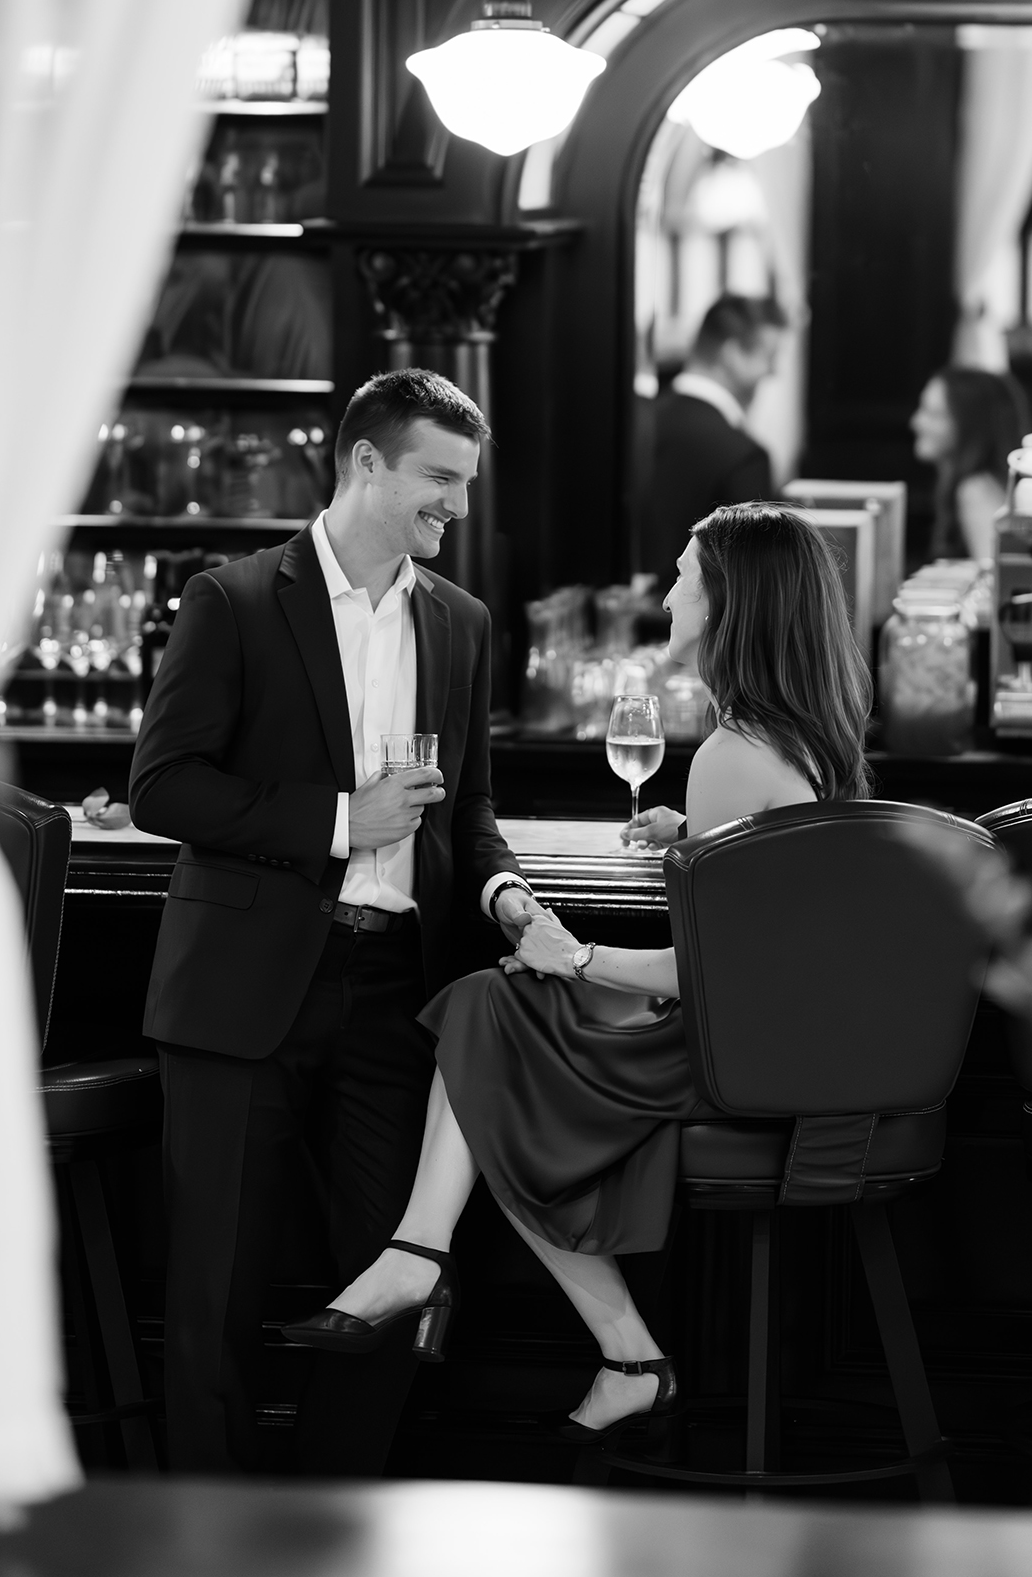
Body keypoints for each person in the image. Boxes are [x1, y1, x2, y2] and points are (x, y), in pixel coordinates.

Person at [283, 505, 871, 1440]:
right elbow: (781, 915)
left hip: (747, 1064)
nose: (668, 594)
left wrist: (579, 954)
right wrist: (694, 840)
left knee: (495, 1025)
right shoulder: (795, 734)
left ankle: (450, 1270)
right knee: (495, 1012)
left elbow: (715, 976)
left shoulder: (732, 751)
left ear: (732, 603)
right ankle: (466, 1277)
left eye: (685, 576)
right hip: (804, 1050)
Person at [130, 368, 542, 1474]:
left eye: (463, 482)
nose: (455, 505)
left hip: (392, 995)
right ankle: (203, 1539)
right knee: (212, 1292)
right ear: (366, 463)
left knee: (392, 1283)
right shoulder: (233, 599)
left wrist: (504, 894)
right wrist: (335, 820)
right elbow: (161, 787)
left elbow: (474, 810)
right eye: (437, 478)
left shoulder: (459, 622)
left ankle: (334, 1523)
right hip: (241, 989)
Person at [640, 293, 784, 599]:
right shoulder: (743, 456)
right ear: (732, 354)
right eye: (769, 357)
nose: (774, 372)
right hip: (704, 638)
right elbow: (752, 594)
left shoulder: (639, 424)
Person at [910, 365, 1030, 567]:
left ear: (970, 424)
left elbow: (993, 577)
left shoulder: (976, 490)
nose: (916, 422)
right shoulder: (969, 485)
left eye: (935, 415)